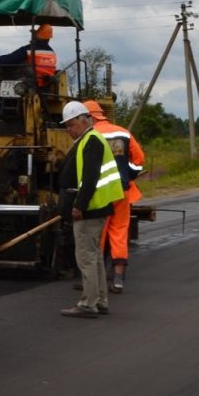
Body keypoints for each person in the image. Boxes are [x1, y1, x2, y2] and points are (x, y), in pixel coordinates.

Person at [58, 101, 125, 318]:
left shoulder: (92, 141)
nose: (69, 130)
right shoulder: (88, 140)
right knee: (94, 257)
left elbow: (89, 178)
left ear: (84, 120)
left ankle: (88, 304)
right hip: (95, 208)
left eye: (71, 125)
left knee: (86, 257)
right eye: (66, 126)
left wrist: (79, 205)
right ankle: (100, 301)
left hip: (91, 209)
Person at [83, 100, 145, 294]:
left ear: (90, 117)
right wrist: (128, 174)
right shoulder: (123, 133)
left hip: (100, 193)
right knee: (119, 231)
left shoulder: (90, 135)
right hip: (121, 191)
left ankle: (94, 280)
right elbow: (139, 160)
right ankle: (118, 279)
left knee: (97, 234)